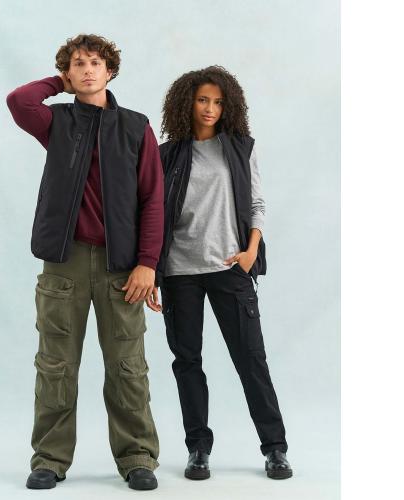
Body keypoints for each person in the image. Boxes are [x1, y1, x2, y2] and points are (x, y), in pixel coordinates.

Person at [6, 34, 163, 491]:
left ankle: (137, 456)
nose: (88, 69)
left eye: (96, 62)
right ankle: (50, 459)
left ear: (111, 71)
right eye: (78, 64)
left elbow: (154, 199)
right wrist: (61, 83)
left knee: (128, 366)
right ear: (68, 73)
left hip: (122, 268)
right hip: (65, 263)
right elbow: (19, 101)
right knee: (55, 365)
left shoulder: (136, 127)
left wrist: (148, 263)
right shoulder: (56, 122)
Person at [155, 65, 293, 480]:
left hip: (229, 267)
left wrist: (251, 251)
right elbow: (152, 214)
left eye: (217, 101)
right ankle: (198, 449)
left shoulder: (240, 148)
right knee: (187, 362)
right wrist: (152, 270)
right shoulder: (166, 155)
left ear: (228, 105)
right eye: (202, 100)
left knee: (251, 360)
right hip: (180, 272)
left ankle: (275, 448)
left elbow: (257, 204)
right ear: (187, 103)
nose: (210, 108)